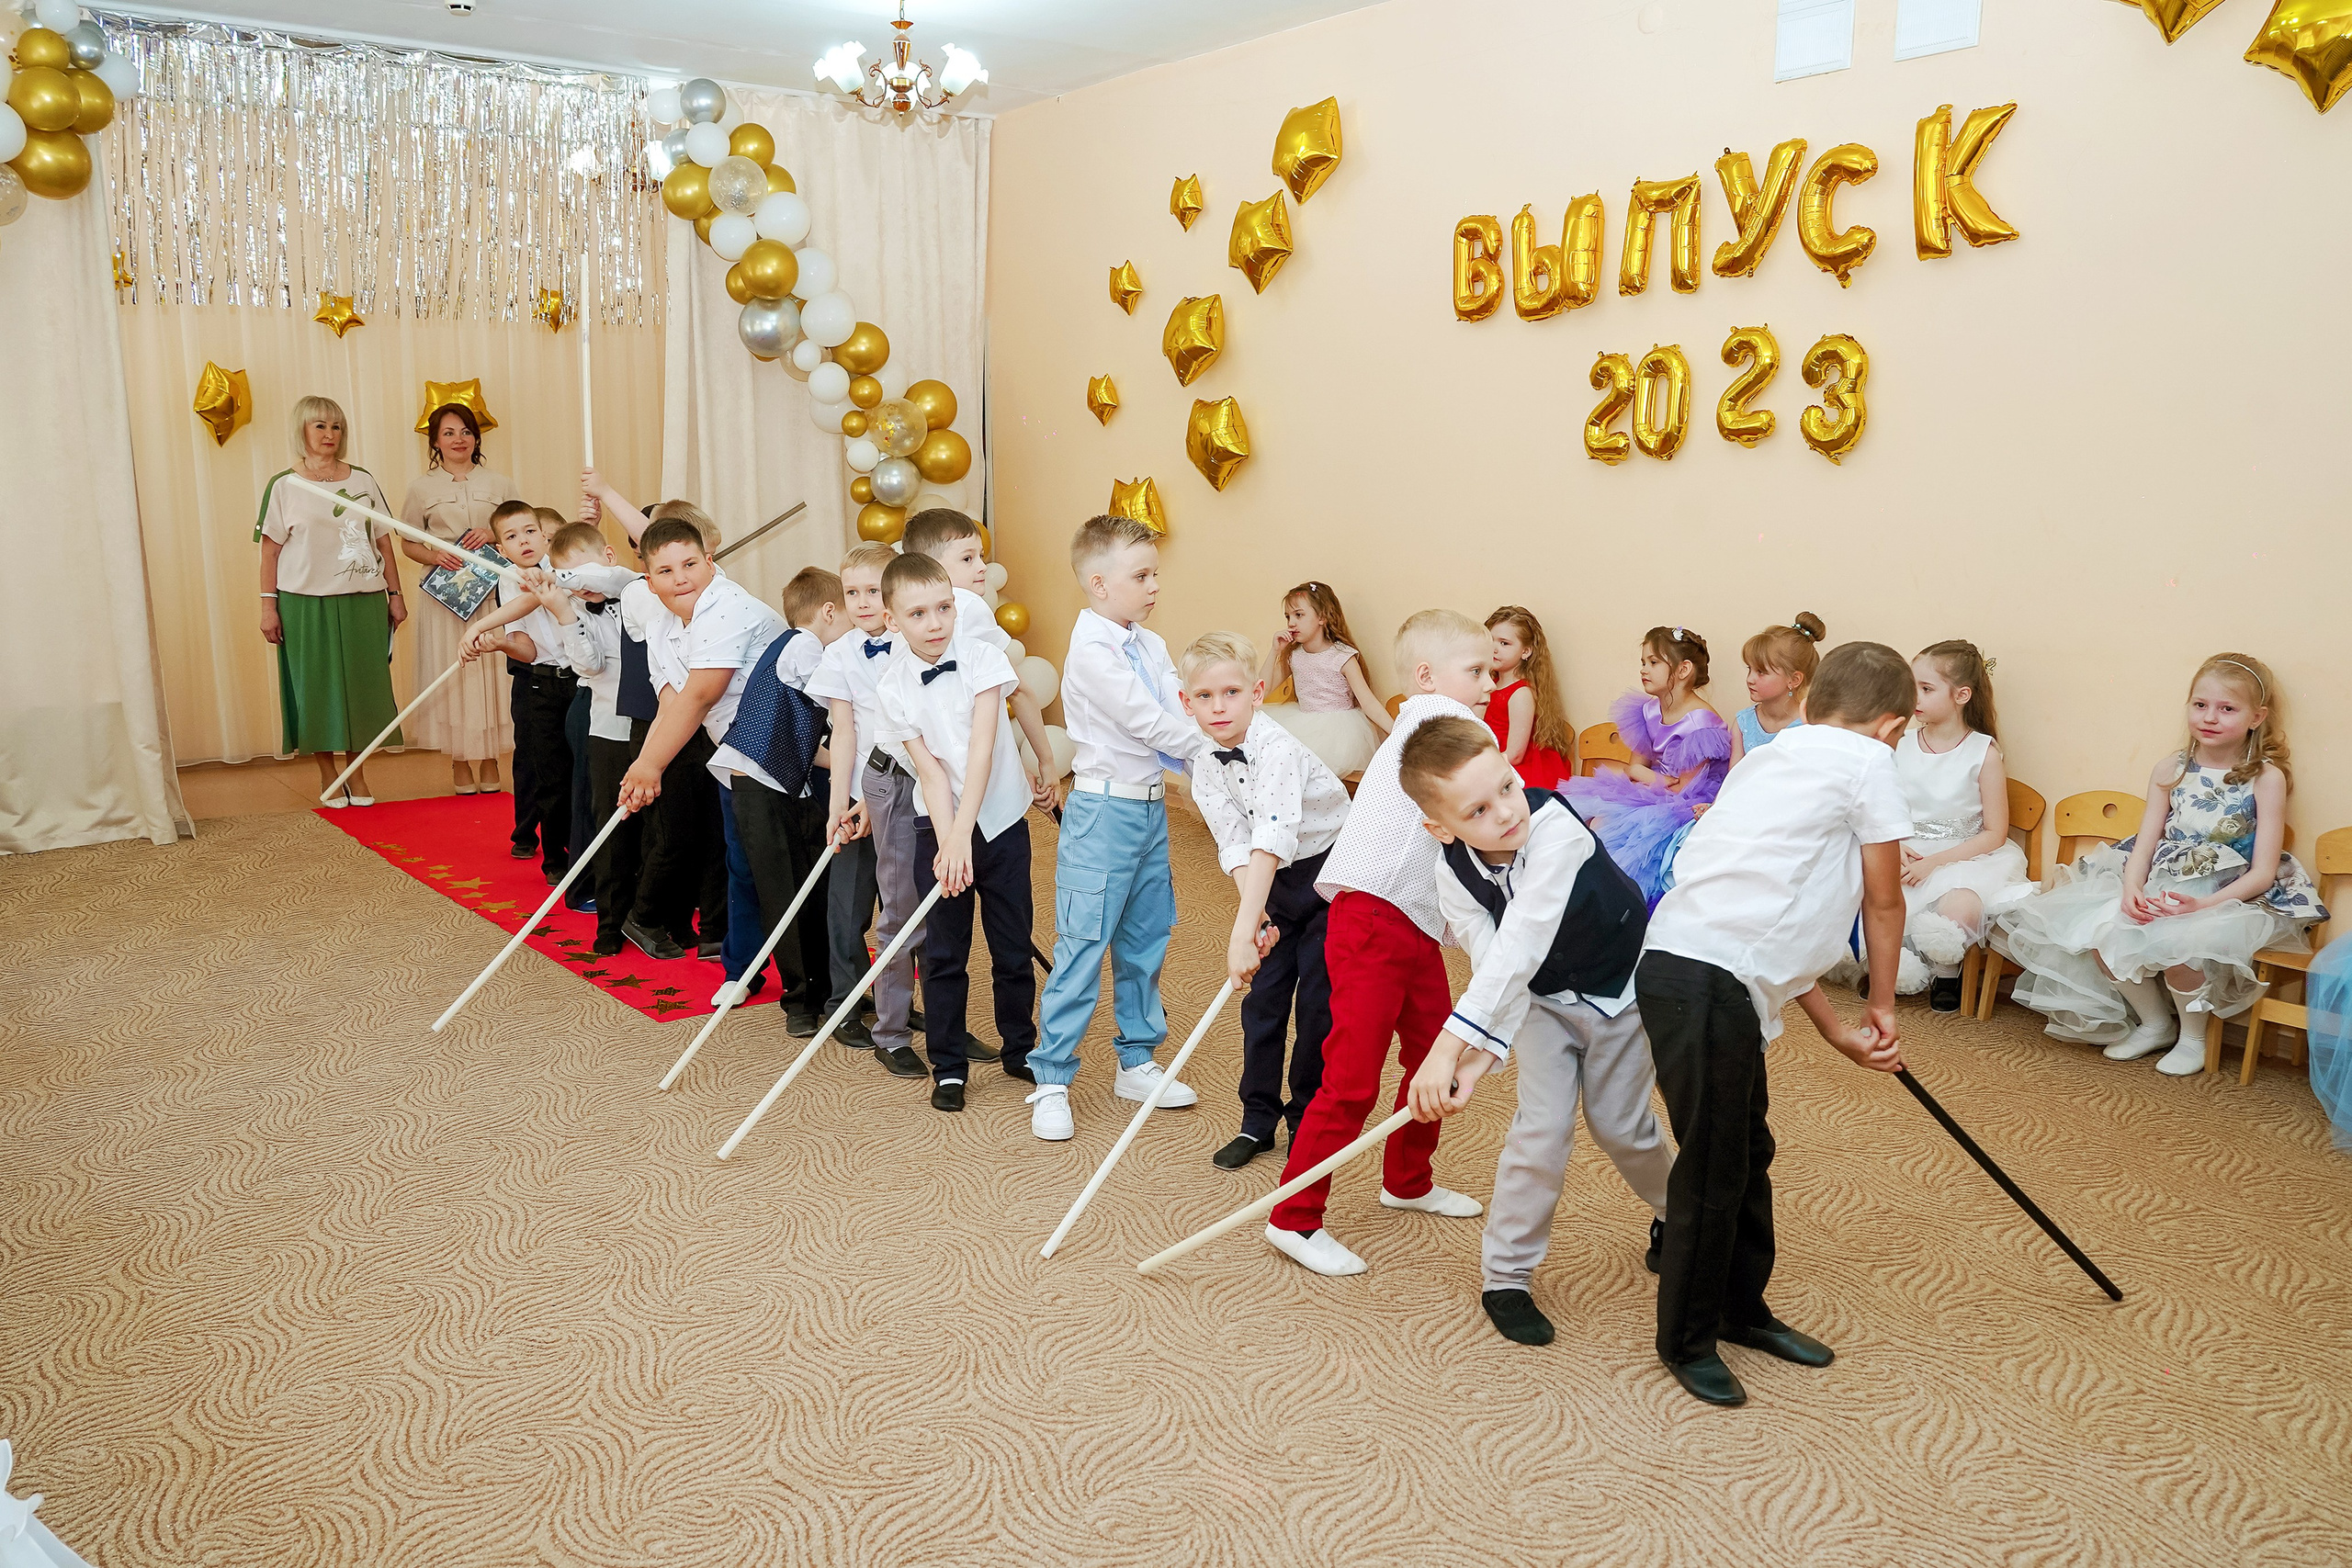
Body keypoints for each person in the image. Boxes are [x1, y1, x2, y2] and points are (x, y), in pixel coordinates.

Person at [1634, 639, 1915, 1408]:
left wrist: (1834, 1029)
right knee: (1714, 1165)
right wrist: (1881, 1005)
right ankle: (1686, 1339)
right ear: (1893, 726)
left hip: (1692, 972)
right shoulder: (1869, 762)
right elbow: (1883, 899)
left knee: (1744, 1148)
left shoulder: (1774, 754)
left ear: (1814, 700)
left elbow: (1775, 924)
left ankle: (1739, 1308)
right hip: (1707, 978)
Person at [1397, 718, 1672, 1348]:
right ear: (1441, 828)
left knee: (1621, 1126)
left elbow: (1523, 938)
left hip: (1622, 994)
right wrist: (1477, 1055)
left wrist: (1446, 1048)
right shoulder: (1452, 874)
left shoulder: (1558, 830)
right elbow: (1496, 966)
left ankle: (1676, 1213)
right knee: (1538, 1132)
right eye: (1478, 809)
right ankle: (1506, 1276)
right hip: (1540, 1003)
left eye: (1507, 786)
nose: (1505, 812)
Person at [1265, 609, 1495, 1279]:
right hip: (1372, 921)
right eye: (1476, 670)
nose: (1490, 683)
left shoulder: (1433, 723)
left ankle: (1408, 1180)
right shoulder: (1442, 723)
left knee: (1434, 1057)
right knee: (1352, 1078)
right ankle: (1293, 1217)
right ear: (1427, 676)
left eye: (1490, 670)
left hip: (1415, 925)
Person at [1993, 653, 2326, 1076]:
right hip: (2162, 880)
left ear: (2256, 717)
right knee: (2102, 935)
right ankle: (2155, 1024)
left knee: (2180, 949)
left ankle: (2193, 1038)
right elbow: (2145, 841)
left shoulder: (2265, 777)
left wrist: (2203, 906)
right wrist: (2131, 887)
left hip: (2227, 893)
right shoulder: (2171, 769)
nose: (2210, 717)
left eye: (2227, 709)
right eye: (2200, 705)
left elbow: (2262, 871)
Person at [1026, 516, 1214, 1141]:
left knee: (1145, 939)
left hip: (1151, 810)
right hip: (1102, 814)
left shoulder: (1149, 644)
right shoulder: (1091, 652)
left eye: (1155, 573)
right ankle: (1052, 1078)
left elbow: (1179, 709)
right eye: (1141, 575)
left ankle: (1136, 1060)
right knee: (1083, 944)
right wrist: (1222, 751)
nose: (1155, 585)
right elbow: (1148, 723)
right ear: (1099, 583)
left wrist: (1216, 742)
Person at [874, 551, 1045, 1113]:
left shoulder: (982, 659)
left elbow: (981, 755)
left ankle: (1021, 1047)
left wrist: (963, 837)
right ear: (892, 620)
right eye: (918, 613)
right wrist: (949, 842)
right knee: (945, 952)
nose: (935, 623)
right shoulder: (892, 686)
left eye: (944, 608)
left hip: (999, 820)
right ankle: (948, 1066)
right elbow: (929, 772)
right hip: (938, 825)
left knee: (1012, 945)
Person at [1178, 631, 1350, 1170]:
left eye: (1231, 693)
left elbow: (1273, 837)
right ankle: (1257, 1121)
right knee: (1263, 1005)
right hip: (1268, 879)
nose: (1219, 707)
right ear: (1186, 702)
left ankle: (1305, 1120)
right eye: (1204, 696)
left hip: (1327, 878)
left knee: (1316, 1006)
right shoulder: (1203, 762)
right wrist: (1256, 916)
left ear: (1256, 693)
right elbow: (1235, 843)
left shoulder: (1277, 750)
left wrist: (1240, 931)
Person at [616, 519, 784, 966]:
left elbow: (701, 695)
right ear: (649, 582)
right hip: (736, 756)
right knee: (741, 867)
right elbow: (671, 704)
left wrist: (650, 766)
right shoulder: (659, 626)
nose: (680, 578)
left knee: (777, 872)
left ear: (710, 563)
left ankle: (805, 984)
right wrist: (641, 773)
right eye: (665, 571)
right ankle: (741, 969)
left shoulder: (726, 606)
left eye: (690, 564)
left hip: (783, 754)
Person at [710, 567, 854, 1031]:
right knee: (783, 895)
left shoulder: (793, 649)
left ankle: (827, 987)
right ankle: (800, 1001)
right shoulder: (803, 646)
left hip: (783, 782)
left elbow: (811, 742)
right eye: (849, 619)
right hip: (759, 784)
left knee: (812, 886)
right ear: (828, 612)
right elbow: (843, 705)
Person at [808, 544, 928, 1073]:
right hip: (860, 793)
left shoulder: (915, 644)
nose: (861, 602)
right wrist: (840, 804)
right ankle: (845, 1002)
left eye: (873, 591)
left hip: (910, 791)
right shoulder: (839, 654)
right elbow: (844, 731)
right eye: (851, 592)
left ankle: (898, 1000)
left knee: (905, 903)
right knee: (850, 906)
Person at [254, 396, 406, 807]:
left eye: (336, 426)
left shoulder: (363, 481)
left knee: (363, 690)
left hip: (363, 600)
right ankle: (328, 773)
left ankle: (357, 774)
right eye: (319, 425)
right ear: (301, 430)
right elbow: (269, 552)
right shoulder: (284, 485)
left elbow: (383, 542)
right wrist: (268, 607)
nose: (329, 434)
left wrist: (395, 594)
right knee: (316, 690)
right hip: (304, 603)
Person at [1881, 641, 2034, 1011]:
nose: (1914, 697)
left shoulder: (1983, 752)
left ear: (1961, 695)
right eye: (1912, 687)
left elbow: (1994, 833)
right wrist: (1896, 844)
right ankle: (1890, 965)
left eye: (1926, 689)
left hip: (1966, 854)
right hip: (1908, 847)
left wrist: (1934, 863)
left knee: (1961, 906)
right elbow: (1882, 807)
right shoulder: (1899, 744)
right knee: (1870, 889)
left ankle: (1945, 973)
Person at [1564, 625, 1731, 910]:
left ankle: (1611, 906)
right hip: (1655, 789)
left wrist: (1646, 775)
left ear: (1683, 669)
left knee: (1612, 829)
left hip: (1687, 803)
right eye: (1643, 662)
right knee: (1583, 818)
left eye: (1653, 662)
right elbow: (1635, 767)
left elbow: (1683, 789)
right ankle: (1576, 898)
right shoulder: (1649, 710)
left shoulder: (1700, 722)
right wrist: (1650, 775)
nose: (1644, 669)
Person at [400, 403, 519, 798]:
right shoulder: (421, 488)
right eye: (449, 433)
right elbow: (408, 542)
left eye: (466, 431)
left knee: (491, 669)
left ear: (476, 438)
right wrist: (435, 555)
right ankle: (460, 761)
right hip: (445, 594)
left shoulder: (500, 483)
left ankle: (490, 759)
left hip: (492, 590)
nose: (458, 440)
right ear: (435, 441)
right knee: (453, 669)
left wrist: (493, 534)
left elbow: (522, 530)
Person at [900, 508, 1059, 796]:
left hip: (919, 768)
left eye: (981, 556)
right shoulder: (969, 606)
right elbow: (1018, 691)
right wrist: (1046, 760)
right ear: (931, 567)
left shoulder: (903, 614)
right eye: (967, 558)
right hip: (971, 770)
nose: (983, 566)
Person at [462, 503, 575, 884]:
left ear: (545, 535)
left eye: (529, 531)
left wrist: (481, 626)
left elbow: (540, 595)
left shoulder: (564, 566)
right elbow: (526, 649)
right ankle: (555, 859)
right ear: (501, 549)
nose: (523, 541)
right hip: (541, 684)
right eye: (511, 537)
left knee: (584, 772)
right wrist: (499, 643)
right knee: (549, 776)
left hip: (583, 682)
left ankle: (586, 848)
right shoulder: (508, 581)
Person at [537, 525, 639, 933]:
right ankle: (610, 918)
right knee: (609, 818)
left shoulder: (638, 590)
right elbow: (589, 665)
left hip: (657, 725)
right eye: (572, 580)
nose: (582, 587)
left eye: (585, 574)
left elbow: (619, 579)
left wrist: (568, 578)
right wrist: (565, 613)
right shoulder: (578, 610)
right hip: (608, 727)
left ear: (609, 557)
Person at [1258, 581, 1393, 777]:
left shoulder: (1343, 656)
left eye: (1299, 615)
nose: (1291, 623)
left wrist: (1397, 732)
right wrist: (1274, 651)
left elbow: (1368, 702)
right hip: (1302, 724)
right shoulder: (1293, 655)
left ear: (1322, 617)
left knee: (1311, 769)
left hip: (1339, 732)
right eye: (1288, 617)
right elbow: (1262, 691)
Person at [1483, 606, 1575, 789]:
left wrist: (1481, 766)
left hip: (1514, 768)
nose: (1494, 649)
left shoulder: (1521, 693)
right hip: (1494, 757)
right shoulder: (1490, 683)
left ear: (1525, 652)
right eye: (1491, 641)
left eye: (1504, 643)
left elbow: (1515, 755)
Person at [1726, 613, 1825, 767]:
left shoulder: (1810, 726)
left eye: (1761, 672)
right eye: (1749, 669)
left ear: (1794, 680)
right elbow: (1734, 776)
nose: (1750, 679)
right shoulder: (1744, 723)